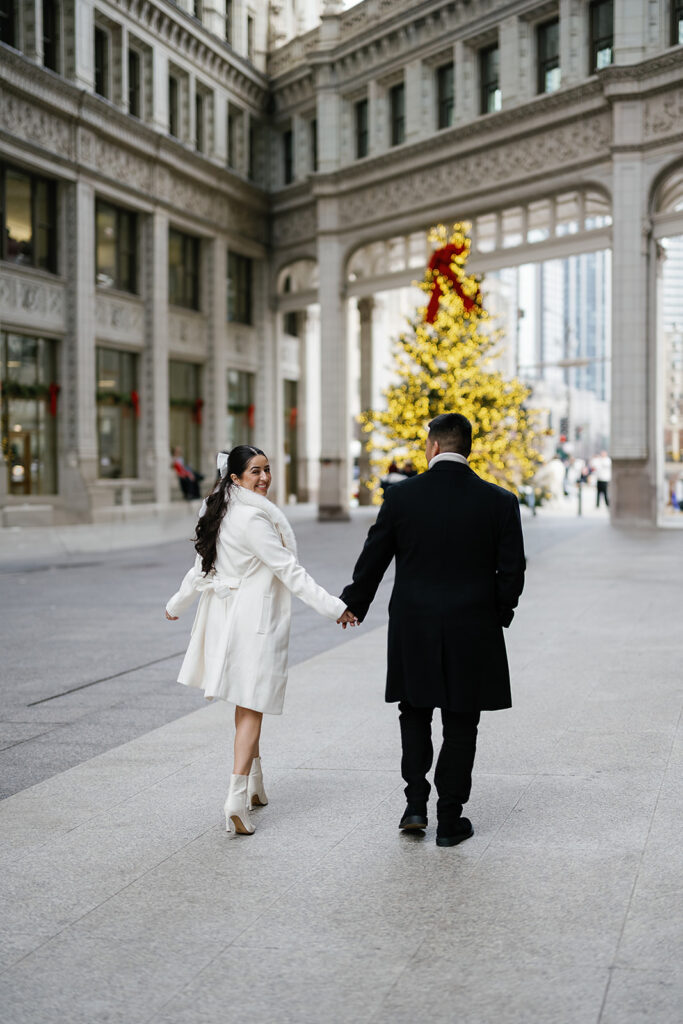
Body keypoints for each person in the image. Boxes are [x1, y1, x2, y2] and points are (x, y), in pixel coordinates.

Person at [339, 413, 526, 847]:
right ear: (469, 448)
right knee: (462, 721)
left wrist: (355, 603)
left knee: (414, 711)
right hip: (472, 625)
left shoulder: (402, 496)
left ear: (434, 447)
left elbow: (375, 556)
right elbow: (512, 571)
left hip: (414, 623)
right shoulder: (499, 501)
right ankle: (450, 818)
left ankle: (415, 804)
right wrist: (496, 612)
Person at [165, 445, 357, 837]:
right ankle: (235, 796)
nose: (264, 477)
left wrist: (176, 604)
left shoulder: (220, 510)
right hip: (254, 619)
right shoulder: (254, 519)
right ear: (235, 478)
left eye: (267, 469)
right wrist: (335, 607)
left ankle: (254, 783)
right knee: (252, 706)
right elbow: (290, 571)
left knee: (247, 702)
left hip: (228, 616)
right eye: (255, 471)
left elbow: (200, 568)